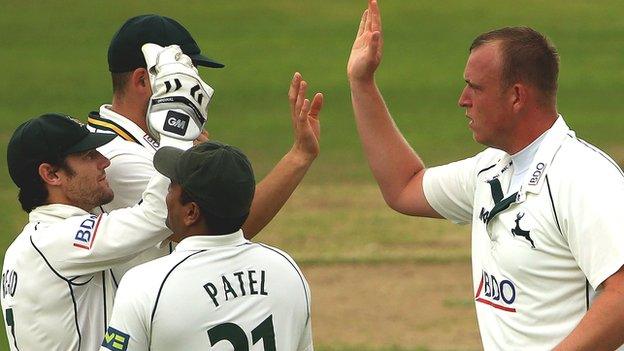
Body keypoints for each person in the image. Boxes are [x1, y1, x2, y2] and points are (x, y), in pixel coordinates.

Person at [347, 1, 624, 349]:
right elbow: (404, 187)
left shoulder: (583, 176)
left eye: (475, 87)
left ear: (516, 96)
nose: (463, 100)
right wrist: (362, 83)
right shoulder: (491, 170)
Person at [87, 14, 323, 280]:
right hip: (143, 314)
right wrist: (299, 156)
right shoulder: (120, 159)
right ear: (143, 80)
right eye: (184, 75)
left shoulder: (128, 140)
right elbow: (226, 226)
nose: (194, 87)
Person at [100, 141, 312, 351]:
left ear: (191, 212)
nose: (166, 195)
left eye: (171, 185)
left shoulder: (145, 285)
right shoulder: (287, 271)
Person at [1, 113, 173, 350]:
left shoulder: (27, 246)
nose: (105, 161)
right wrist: (177, 133)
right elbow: (154, 216)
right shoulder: (56, 240)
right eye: (88, 156)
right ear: (51, 174)